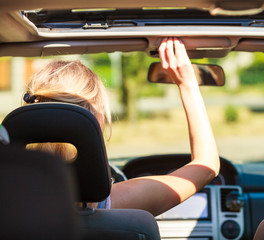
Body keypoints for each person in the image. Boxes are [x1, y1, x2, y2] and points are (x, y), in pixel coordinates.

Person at [23, 37, 220, 216]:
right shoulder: (113, 203)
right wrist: (187, 84)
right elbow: (207, 166)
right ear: (94, 121)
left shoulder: (9, 196)